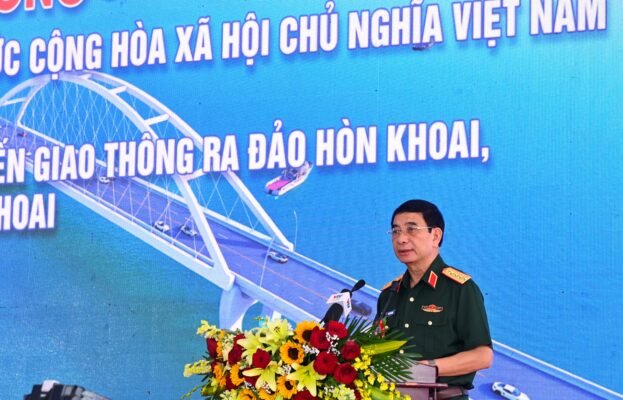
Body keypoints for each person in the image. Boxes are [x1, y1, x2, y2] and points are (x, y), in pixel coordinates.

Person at [375, 199, 493, 400]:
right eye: (395, 231)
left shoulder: (460, 289)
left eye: (411, 229)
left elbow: (482, 355)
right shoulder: (389, 294)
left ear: (435, 236)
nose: (401, 239)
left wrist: (426, 368)